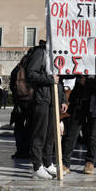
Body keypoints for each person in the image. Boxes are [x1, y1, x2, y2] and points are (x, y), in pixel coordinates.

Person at [26, 41, 66, 179]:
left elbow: (59, 81)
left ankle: (48, 162)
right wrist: (49, 79)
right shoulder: (40, 53)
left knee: (51, 135)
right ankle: (37, 166)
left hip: (53, 101)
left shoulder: (57, 54)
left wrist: (63, 100)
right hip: (42, 99)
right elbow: (30, 74)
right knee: (40, 134)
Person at [61, 75, 96, 174]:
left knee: (93, 134)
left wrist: (87, 82)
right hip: (79, 101)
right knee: (71, 132)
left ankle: (90, 162)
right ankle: (65, 163)